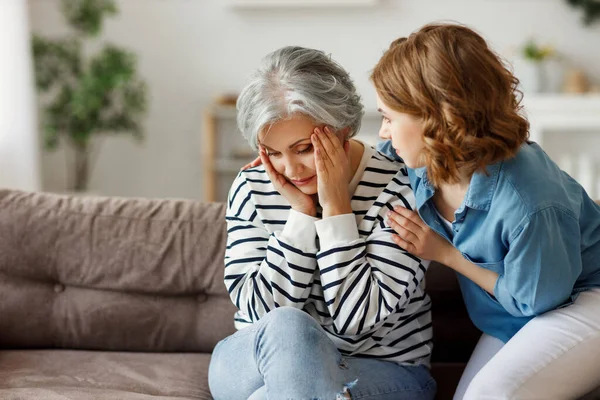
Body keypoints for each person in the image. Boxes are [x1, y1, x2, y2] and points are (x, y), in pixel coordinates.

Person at [372, 23, 600, 399]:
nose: (383, 132)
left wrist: (446, 254)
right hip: (517, 313)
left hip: (582, 299)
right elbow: (361, 165)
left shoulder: (529, 201)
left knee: (492, 393)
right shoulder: (420, 159)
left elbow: (534, 303)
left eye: (389, 118)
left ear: (434, 119)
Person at [207, 46, 437, 400]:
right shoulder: (252, 184)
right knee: (286, 325)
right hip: (254, 362)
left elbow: (357, 319)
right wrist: (300, 217)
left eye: (303, 149)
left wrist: (336, 210)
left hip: (376, 367)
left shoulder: (397, 188)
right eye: (272, 152)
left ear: (343, 129)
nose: (290, 170)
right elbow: (259, 314)